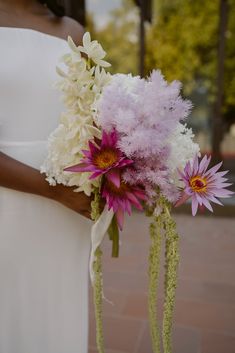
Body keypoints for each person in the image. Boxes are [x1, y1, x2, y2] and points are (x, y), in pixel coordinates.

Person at [0, 1, 92, 352]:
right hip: (12, 202)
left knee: (57, 311)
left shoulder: (73, 30)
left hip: (69, 210)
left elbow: (94, 116)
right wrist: (55, 191)